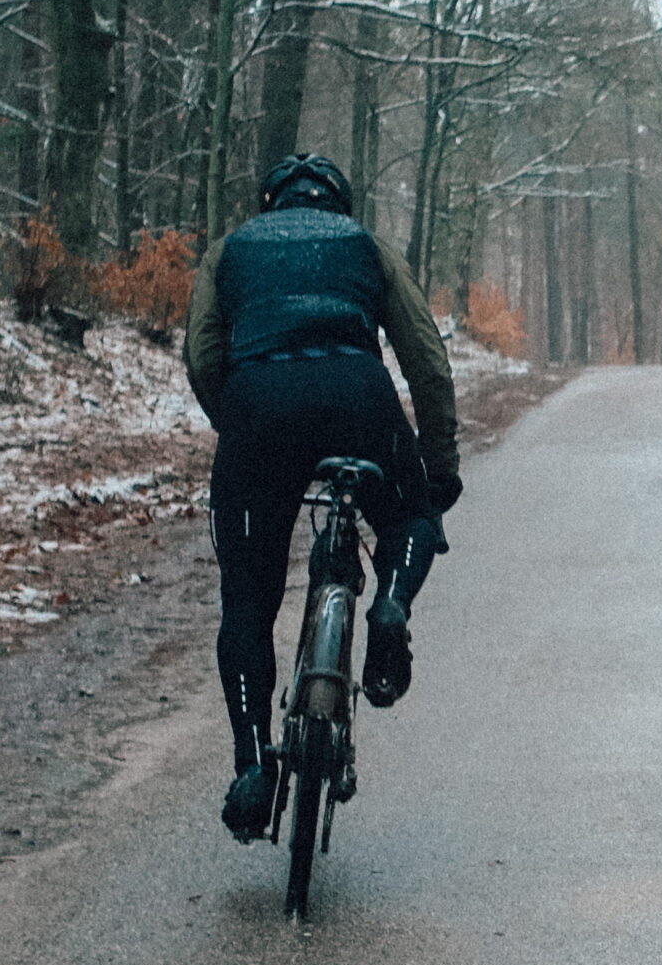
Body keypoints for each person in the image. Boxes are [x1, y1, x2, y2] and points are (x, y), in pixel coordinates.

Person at [182, 152, 463, 843]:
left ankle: (252, 764)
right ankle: (390, 602)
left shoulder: (231, 249)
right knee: (407, 518)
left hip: (258, 403)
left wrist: (243, 429)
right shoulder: (367, 245)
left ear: (271, 201)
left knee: (247, 599)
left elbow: (201, 355)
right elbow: (426, 357)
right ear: (338, 202)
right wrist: (439, 463)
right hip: (355, 393)